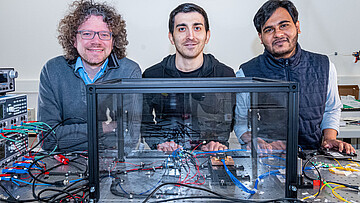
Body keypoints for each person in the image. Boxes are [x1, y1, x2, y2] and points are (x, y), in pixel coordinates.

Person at [235, 0, 355, 154]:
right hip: (269, 158)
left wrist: (329, 138)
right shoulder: (247, 72)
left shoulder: (324, 66)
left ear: (297, 27)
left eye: (284, 25)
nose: (278, 34)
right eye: (269, 30)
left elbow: (331, 109)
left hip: (313, 155)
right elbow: (240, 122)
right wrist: (252, 140)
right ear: (260, 36)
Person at [38, 0, 142, 152]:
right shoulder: (52, 70)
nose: (96, 41)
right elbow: (48, 139)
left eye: (104, 34)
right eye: (87, 34)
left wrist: (68, 138)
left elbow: (129, 139)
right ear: (74, 40)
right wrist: (105, 127)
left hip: (112, 165)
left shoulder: (129, 71)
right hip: (66, 165)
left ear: (113, 41)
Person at [141, 3, 235, 152]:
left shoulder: (225, 75)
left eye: (197, 28)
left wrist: (215, 143)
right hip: (168, 157)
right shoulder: (152, 76)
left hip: (210, 156)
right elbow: (143, 121)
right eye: (182, 29)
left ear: (207, 36)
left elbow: (227, 122)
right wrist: (159, 143)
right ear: (171, 37)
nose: (190, 36)